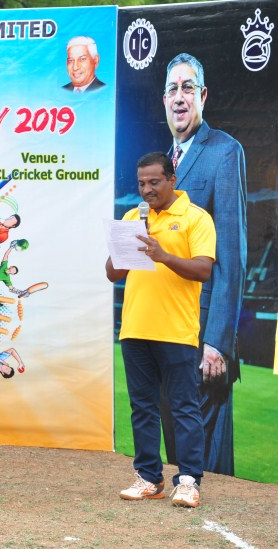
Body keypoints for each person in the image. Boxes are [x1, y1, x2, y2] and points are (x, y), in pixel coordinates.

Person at [106, 152, 215, 508]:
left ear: (172, 179)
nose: (147, 189)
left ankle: (189, 480)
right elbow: (112, 273)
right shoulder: (132, 217)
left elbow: (203, 270)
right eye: (141, 183)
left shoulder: (196, 218)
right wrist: (124, 247)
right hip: (135, 328)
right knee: (142, 407)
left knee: (183, 407)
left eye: (154, 182)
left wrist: (163, 254)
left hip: (176, 330)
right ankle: (149, 477)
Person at [159, 53, 247, 476]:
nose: (180, 96)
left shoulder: (225, 152)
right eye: (173, 89)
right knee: (177, 460)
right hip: (165, 332)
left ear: (203, 95)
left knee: (208, 473)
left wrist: (217, 342)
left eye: (188, 87)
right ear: (164, 100)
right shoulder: (163, 163)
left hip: (202, 340)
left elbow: (231, 253)